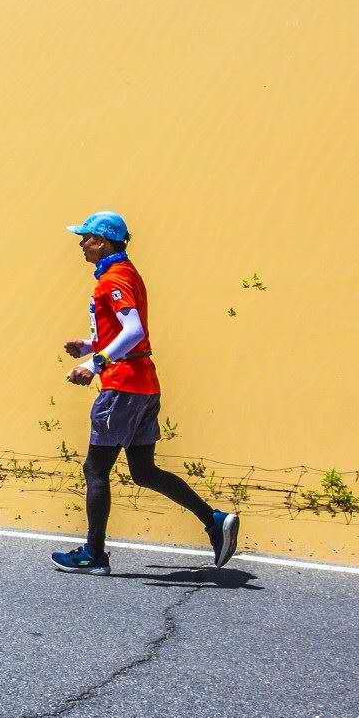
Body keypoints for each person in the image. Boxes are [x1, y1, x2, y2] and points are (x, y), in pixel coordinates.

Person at [50, 211, 239, 576]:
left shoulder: (113, 280)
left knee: (96, 468)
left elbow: (134, 330)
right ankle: (214, 520)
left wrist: (94, 364)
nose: (80, 243)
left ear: (102, 241)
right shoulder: (126, 272)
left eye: (86, 237)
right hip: (143, 383)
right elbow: (126, 330)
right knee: (143, 470)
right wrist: (92, 344)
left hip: (122, 387)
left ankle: (94, 554)